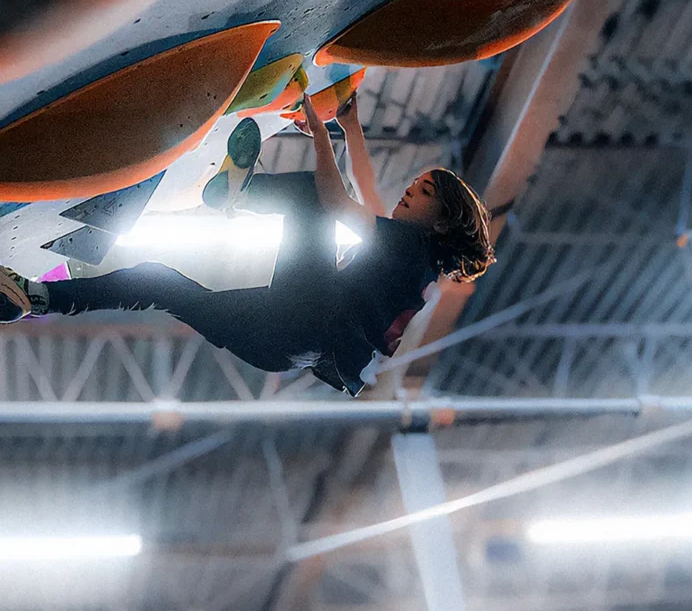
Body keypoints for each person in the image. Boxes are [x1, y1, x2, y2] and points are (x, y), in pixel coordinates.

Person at [0, 95, 494, 396]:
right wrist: (353, 129)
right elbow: (371, 202)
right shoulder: (414, 265)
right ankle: (37, 299)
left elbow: (344, 206)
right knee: (158, 281)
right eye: (417, 182)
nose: (411, 188)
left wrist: (323, 134)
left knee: (313, 201)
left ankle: (239, 193)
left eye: (425, 192)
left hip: (305, 321)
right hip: (277, 347)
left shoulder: (412, 251)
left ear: (443, 222)